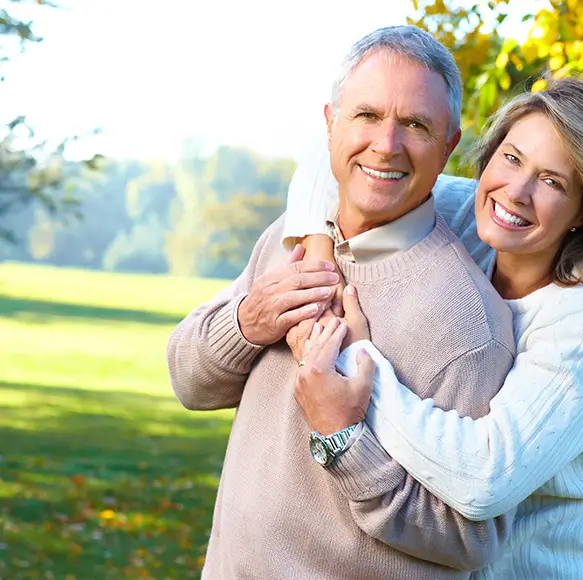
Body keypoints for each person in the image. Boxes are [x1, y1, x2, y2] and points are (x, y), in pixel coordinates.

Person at [167, 25, 520, 579]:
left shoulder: (468, 322)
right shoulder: (290, 237)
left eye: (416, 125)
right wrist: (248, 321)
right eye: (367, 116)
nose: (386, 144)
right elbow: (188, 380)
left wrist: (344, 440)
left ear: (449, 146)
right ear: (331, 123)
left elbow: (470, 539)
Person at [283, 76, 583, 579]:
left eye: (552, 182)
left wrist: (356, 363)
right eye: (512, 158)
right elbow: (325, 155)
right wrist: (320, 260)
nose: (517, 192)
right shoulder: (471, 216)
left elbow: (484, 478)